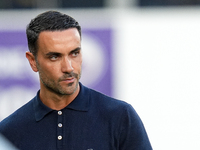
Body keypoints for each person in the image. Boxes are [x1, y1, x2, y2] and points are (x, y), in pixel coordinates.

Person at [0, 11, 152, 150]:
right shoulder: (9, 132)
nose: (68, 67)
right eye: (54, 56)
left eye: (74, 53)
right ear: (33, 61)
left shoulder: (120, 117)